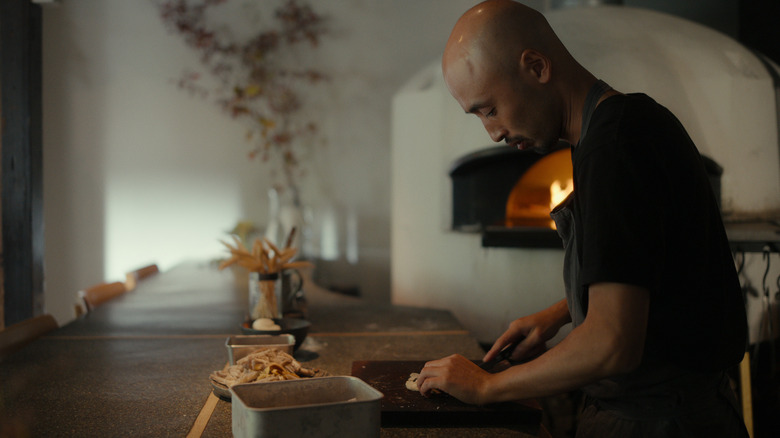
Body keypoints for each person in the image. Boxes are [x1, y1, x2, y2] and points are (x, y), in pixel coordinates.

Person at [415, 1, 750, 436]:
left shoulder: (615, 148)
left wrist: (486, 386)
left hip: (659, 421)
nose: (492, 132)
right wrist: (561, 313)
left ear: (536, 66)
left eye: (490, 109)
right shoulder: (620, 126)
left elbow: (612, 345)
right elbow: (648, 267)